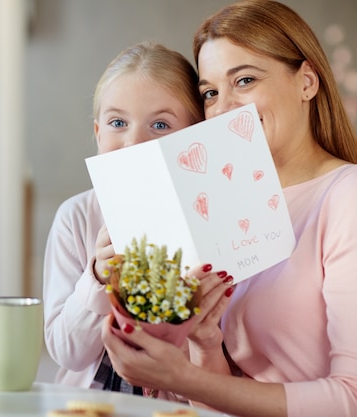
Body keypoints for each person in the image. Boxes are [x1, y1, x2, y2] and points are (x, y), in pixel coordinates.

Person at [101, 1, 357, 416]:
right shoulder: (221, 205)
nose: (223, 109)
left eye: (245, 80)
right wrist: (203, 342)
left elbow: (350, 399)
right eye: (210, 93)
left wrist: (183, 378)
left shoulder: (346, 198)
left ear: (307, 81)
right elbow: (220, 397)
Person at [42, 40, 204, 394]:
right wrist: (98, 278)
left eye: (160, 125)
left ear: (193, 137)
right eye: (118, 122)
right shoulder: (76, 217)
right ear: (99, 134)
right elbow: (66, 352)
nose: (134, 142)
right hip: (93, 399)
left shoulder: (207, 218)